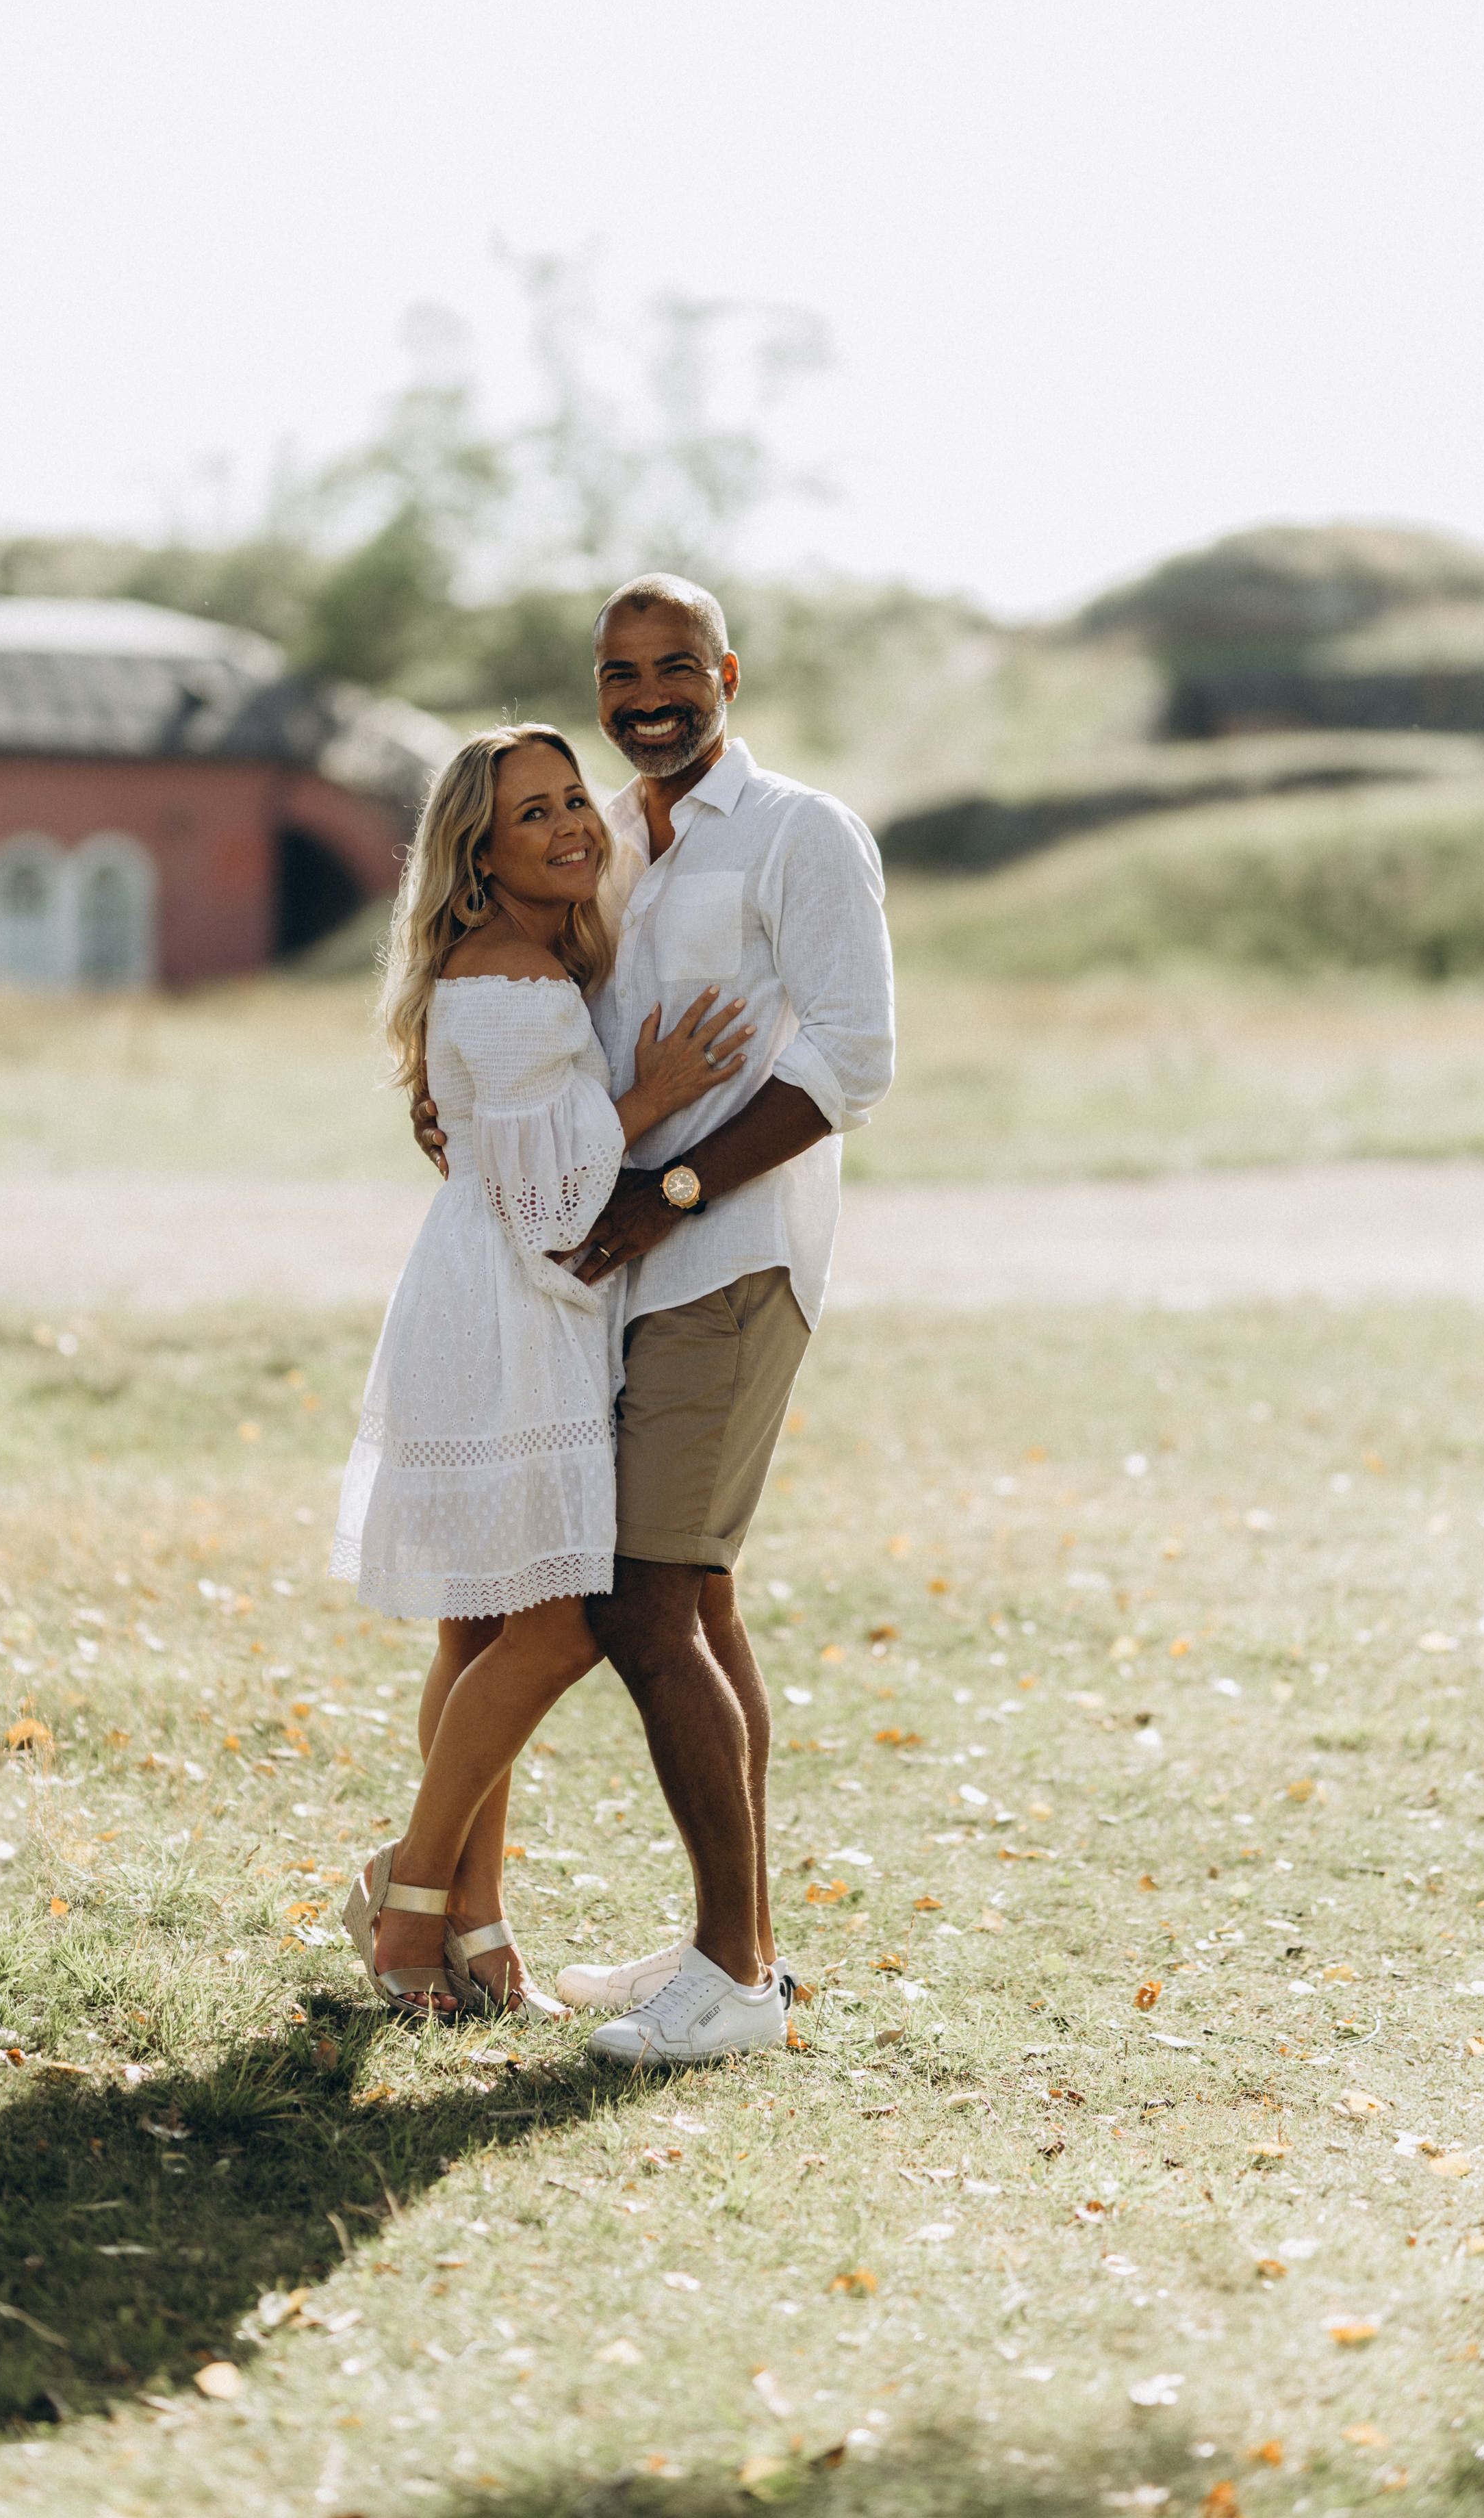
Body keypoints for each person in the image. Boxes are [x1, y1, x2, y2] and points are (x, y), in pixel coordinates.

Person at [413, 576, 895, 2065]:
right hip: (602, 1270)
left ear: (727, 672)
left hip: (729, 1260)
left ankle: (736, 1979)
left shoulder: (802, 832)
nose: (646, 694)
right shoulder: (602, 834)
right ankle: (724, 1949)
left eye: (675, 664)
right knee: (697, 1602)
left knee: (636, 1604)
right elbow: (524, 1008)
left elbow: (851, 1060)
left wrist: (674, 1185)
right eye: (620, 671)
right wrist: (454, 1100)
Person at [333, 724, 751, 2019]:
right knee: (558, 1620)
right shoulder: (511, 978)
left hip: (491, 1300)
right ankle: (408, 1898)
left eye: (577, 800)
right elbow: (553, 1192)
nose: (575, 825)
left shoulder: (507, 962)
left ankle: (475, 1923)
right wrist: (654, 1093)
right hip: (518, 1313)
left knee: (478, 1623)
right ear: (477, 857)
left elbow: (498, 1157)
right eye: (535, 815)